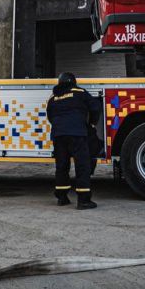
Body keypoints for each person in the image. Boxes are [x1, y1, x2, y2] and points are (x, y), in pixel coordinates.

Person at [45, 72, 102, 209]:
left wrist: (60, 126)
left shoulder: (53, 98)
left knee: (62, 166)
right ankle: (83, 200)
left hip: (59, 135)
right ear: (73, 82)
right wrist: (92, 123)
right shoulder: (80, 92)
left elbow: (50, 116)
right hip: (77, 134)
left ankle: (62, 197)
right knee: (82, 166)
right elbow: (95, 107)